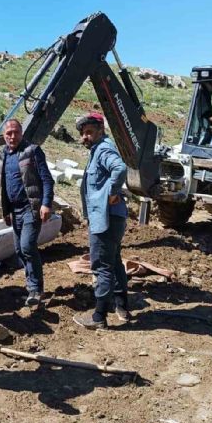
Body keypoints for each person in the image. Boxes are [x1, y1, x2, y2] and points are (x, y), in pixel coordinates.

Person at [73, 112, 130, 330]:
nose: (84, 137)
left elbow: (120, 168)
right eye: (82, 134)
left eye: (89, 132)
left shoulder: (103, 149)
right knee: (114, 261)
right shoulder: (98, 150)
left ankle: (98, 317)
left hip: (106, 218)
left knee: (101, 265)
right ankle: (122, 307)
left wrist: (113, 192)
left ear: (100, 131)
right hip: (113, 217)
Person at [0, 119, 55, 306]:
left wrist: (46, 204)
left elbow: (47, 180)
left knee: (27, 247)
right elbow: (4, 185)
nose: (12, 136)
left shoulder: (32, 151)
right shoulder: (4, 155)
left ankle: (36, 290)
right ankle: (32, 285)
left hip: (31, 208)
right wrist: (6, 211)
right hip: (15, 211)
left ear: (21, 133)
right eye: (9, 133)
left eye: (16, 132)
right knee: (19, 250)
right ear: (4, 136)